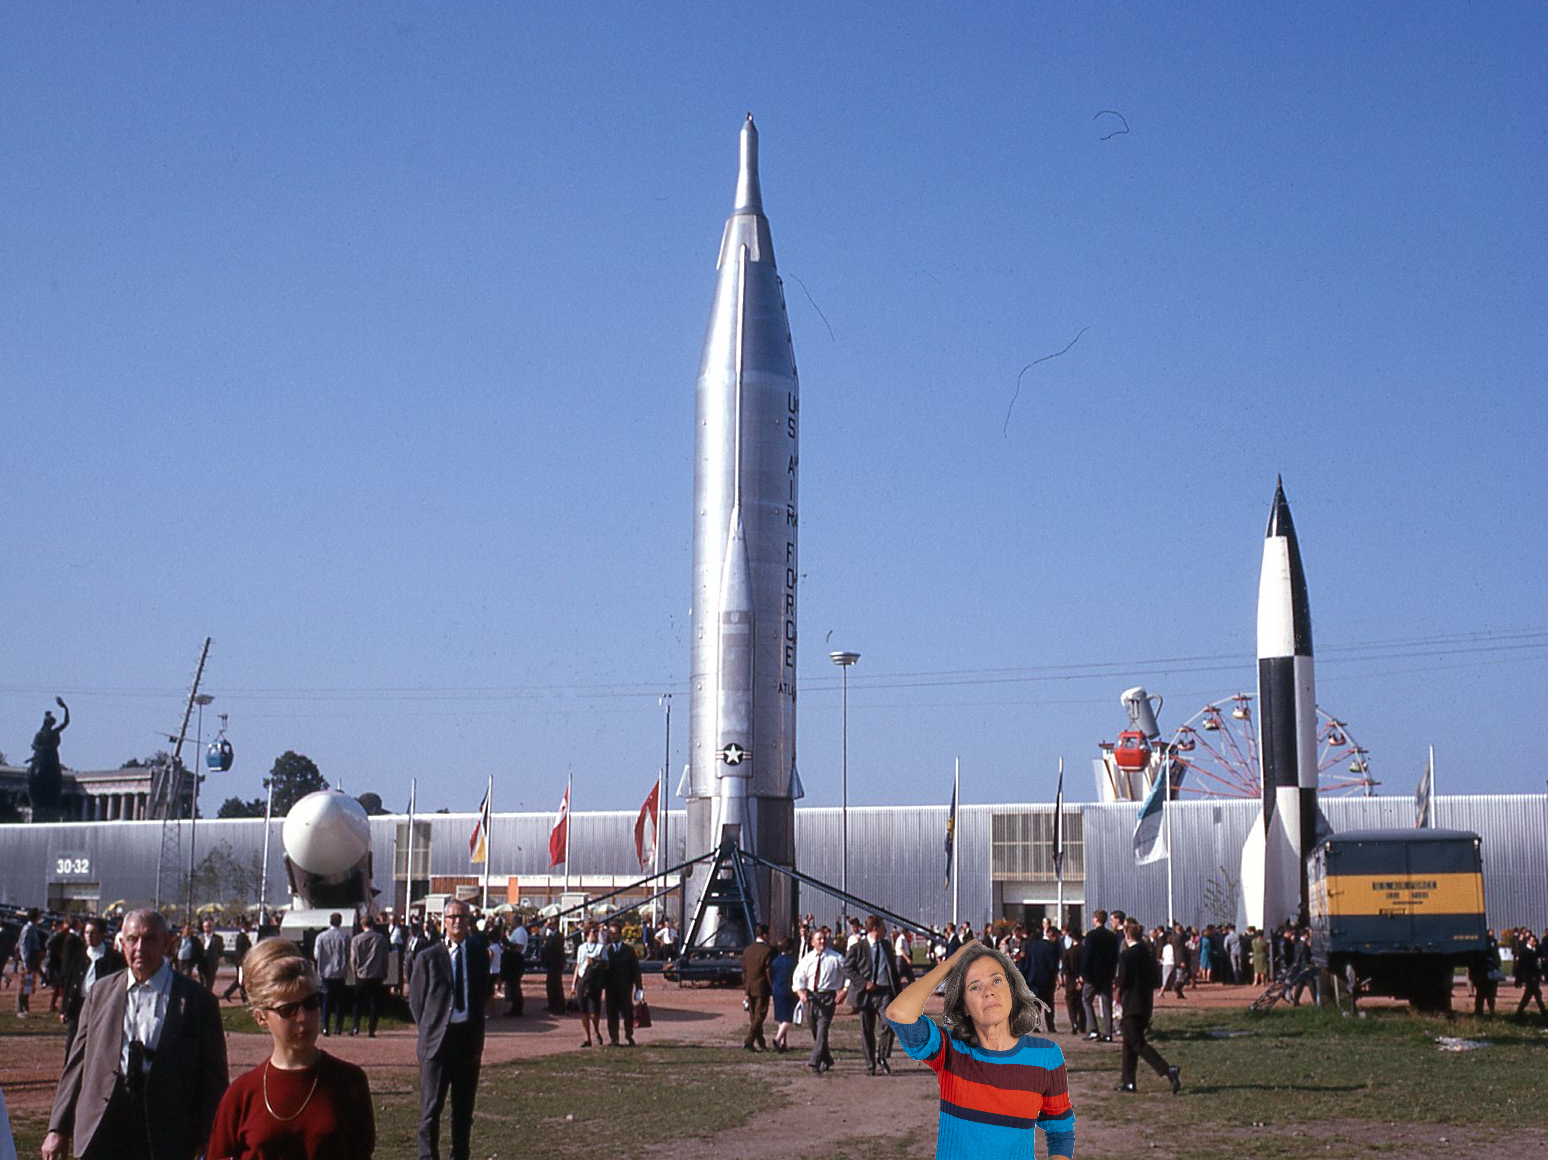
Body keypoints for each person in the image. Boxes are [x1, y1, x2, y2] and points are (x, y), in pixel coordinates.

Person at [44, 908, 229, 1160]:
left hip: (165, 1131)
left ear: (166, 943)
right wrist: (57, 1128)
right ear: (122, 944)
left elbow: (213, 1077)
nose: (140, 947)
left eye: (149, 938)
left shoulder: (197, 1001)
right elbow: (76, 1064)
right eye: (132, 939)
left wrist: (212, 1137)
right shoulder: (100, 993)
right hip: (102, 1123)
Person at [884, 940, 1074, 1159]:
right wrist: (951, 963)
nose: (988, 992)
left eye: (997, 981)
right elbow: (899, 1013)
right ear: (963, 1006)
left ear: (1012, 991)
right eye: (975, 986)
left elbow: (1060, 1131)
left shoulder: (1046, 1057)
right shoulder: (950, 1051)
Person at [206, 938, 375, 1159]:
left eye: (311, 1003)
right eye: (288, 1010)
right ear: (261, 1017)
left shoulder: (349, 1082)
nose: (303, 1017)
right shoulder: (242, 1094)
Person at [410, 898, 488, 1160]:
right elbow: (417, 1001)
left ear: (469, 922)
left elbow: (483, 992)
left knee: (463, 1111)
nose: (457, 922)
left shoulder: (477, 955)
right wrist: (431, 1028)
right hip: (437, 1042)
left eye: (462, 917)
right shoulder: (428, 957)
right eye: (452, 917)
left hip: (467, 1039)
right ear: (444, 922)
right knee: (431, 1109)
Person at [1114, 919, 1181, 1095]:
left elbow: (1124, 980)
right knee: (1129, 1043)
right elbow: (1155, 980)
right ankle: (1128, 1081)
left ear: (1127, 935)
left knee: (1137, 1043)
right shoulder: (1147, 953)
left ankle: (1167, 1069)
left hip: (1131, 1002)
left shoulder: (1126, 955)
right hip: (1145, 1002)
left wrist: (1115, 983)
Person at [59, 917, 125, 1061]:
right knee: (74, 1040)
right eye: (86, 932)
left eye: (93, 933)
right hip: (79, 1004)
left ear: (102, 934)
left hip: (102, 1006)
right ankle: (70, 1070)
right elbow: (70, 983)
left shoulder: (114, 959)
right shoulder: (79, 956)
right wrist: (64, 1009)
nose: (89, 936)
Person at [844, 915, 901, 1075]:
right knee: (866, 1029)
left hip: (884, 992)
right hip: (865, 994)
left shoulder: (886, 946)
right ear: (875, 928)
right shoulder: (858, 947)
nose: (885, 930)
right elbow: (847, 969)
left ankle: (882, 1056)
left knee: (889, 1024)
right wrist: (864, 983)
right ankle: (870, 1064)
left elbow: (893, 970)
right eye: (883, 926)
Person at [792, 928, 848, 1074]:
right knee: (816, 1031)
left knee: (823, 1028)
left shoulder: (836, 958)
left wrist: (844, 991)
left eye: (824, 939)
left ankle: (815, 1061)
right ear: (812, 942)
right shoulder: (807, 959)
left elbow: (849, 974)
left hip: (828, 997)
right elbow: (798, 977)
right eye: (819, 939)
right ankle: (826, 1058)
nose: (822, 941)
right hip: (811, 997)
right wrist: (800, 993)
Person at [601, 920, 643, 1046]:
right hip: (611, 987)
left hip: (625, 987)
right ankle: (614, 1038)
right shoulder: (606, 951)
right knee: (611, 1013)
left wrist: (639, 988)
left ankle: (629, 1035)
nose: (612, 936)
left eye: (614, 933)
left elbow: (635, 970)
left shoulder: (628, 951)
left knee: (627, 1012)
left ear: (620, 934)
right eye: (610, 933)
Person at [1080, 910, 1118, 1042]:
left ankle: (1093, 1029)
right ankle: (1108, 1032)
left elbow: (1088, 955)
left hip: (1093, 975)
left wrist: (1083, 973)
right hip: (1107, 974)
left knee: (1086, 998)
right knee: (1106, 1003)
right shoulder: (1112, 936)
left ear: (1096, 919)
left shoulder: (1091, 936)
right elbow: (1114, 957)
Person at [350, 916, 391, 1037]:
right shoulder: (381, 939)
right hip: (376, 974)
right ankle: (371, 1029)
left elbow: (353, 958)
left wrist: (354, 971)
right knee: (374, 1003)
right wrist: (384, 971)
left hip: (361, 974)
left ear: (362, 925)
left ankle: (355, 1026)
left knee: (357, 1002)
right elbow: (385, 958)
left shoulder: (356, 939)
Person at [312, 913, 351, 1038]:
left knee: (326, 1001)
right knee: (340, 1001)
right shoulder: (345, 937)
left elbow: (316, 955)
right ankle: (338, 1027)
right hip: (340, 972)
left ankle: (325, 1027)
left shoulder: (321, 937)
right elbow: (348, 954)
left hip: (325, 972)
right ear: (340, 922)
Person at [1020, 924, 1062, 1034]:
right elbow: (1052, 964)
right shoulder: (1051, 947)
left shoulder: (1032, 945)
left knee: (1036, 1002)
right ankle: (1050, 1025)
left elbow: (1027, 962)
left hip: (1033, 977)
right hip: (1047, 978)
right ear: (1051, 935)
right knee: (1049, 1002)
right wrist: (1056, 976)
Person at [572, 923, 607, 1047]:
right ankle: (587, 1037)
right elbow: (578, 965)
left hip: (594, 981)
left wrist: (595, 961)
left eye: (597, 932)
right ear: (587, 933)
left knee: (594, 1010)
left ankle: (596, 1030)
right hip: (583, 979)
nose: (595, 934)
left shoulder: (600, 948)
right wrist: (573, 984)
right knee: (583, 1010)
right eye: (593, 932)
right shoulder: (581, 948)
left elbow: (606, 964)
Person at [742, 924, 774, 1052]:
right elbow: (768, 971)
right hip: (762, 987)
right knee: (760, 1015)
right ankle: (749, 1041)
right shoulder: (768, 951)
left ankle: (761, 1041)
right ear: (765, 935)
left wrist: (746, 986)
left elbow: (744, 970)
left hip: (750, 986)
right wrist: (772, 986)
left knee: (753, 1016)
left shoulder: (747, 950)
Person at [769, 937, 798, 1052]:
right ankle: (777, 1039)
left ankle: (783, 1042)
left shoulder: (775, 961)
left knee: (781, 1017)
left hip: (776, 989)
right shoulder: (793, 962)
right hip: (788, 990)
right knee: (788, 1018)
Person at [1060, 926, 1085, 1037]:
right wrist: (1081, 978)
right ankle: (1082, 1024)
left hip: (1071, 982)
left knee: (1071, 1003)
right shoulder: (1085, 951)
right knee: (1082, 1003)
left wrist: (1073, 980)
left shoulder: (1068, 952)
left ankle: (1074, 1022)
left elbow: (1066, 969)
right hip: (1083, 980)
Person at [222, 917, 253, 1003]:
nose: (250, 928)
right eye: (249, 926)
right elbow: (239, 950)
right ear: (245, 926)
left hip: (243, 962)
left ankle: (229, 993)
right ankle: (242, 998)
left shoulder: (244, 936)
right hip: (241, 962)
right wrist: (241, 962)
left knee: (241, 980)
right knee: (241, 980)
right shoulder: (241, 937)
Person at [540, 918, 567, 1015]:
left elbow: (551, 947)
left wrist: (546, 944)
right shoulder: (551, 935)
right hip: (551, 963)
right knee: (550, 984)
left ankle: (559, 1006)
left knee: (556, 985)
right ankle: (552, 1004)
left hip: (556, 963)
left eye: (551, 924)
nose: (549, 926)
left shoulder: (558, 936)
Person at [199, 919, 225, 993]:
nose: (207, 928)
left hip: (212, 964)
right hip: (202, 964)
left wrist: (221, 958)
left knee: (209, 984)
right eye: (205, 927)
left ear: (212, 927)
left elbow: (221, 950)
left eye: (209, 926)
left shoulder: (218, 938)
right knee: (202, 983)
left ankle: (208, 997)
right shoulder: (200, 938)